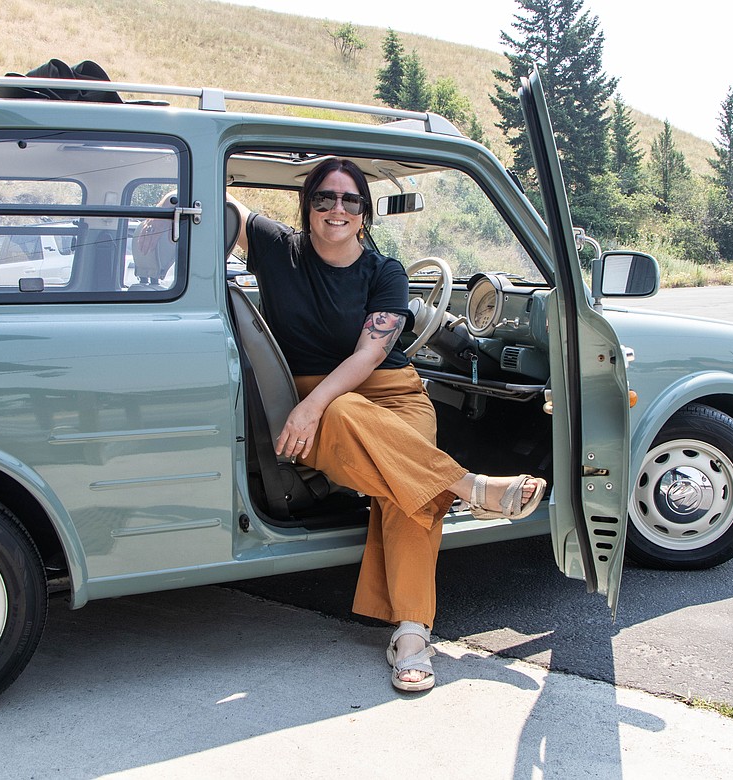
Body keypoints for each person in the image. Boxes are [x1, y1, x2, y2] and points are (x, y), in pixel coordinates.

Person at [229, 157, 546, 692]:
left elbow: (372, 354)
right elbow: (222, 207)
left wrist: (312, 406)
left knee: (406, 487)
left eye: (350, 200)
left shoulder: (386, 272)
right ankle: (468, 487)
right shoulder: (275, 247)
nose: (337, 209)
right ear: (307, 204)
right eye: (324, 198)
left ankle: (411, 634)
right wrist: (153, 217)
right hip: (318, 403)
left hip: (395, 395)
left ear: (364, 212)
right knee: (358, 421)